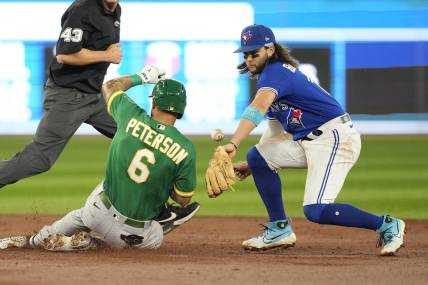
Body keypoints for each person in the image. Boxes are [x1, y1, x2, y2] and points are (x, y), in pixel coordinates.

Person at [225, 24, 405, 255]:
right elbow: (274, 127)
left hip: (335, 138)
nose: (249, 59)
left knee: (316, 210)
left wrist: (234, 143)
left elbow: (258, 107)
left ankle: (388, 225)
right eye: (246, 54)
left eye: (255, 53)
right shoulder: (268, 77)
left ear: (270, 50)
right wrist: (255, 164)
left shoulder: (277, 72)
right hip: (308, 141)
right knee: (257, 156)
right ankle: (279, 228)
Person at [0, 66, 200, 251]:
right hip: (132, 234)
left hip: (97, 211)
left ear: (154, 102)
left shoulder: (130, 115)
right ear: (181, 109)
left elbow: (110, 86)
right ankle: (91, 244)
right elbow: (183, 199)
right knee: (156, 233)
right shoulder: (186, 148)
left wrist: (142, 77)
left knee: (83, 213)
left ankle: (36, 240)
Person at [0, 0, 122, 188]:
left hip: (94, 96)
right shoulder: (82, 10)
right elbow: (65, 55)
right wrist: (106, 55)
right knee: (39, 159)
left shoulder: (114, 10)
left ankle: (158, 198)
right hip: (68, 96)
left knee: (137, 133)